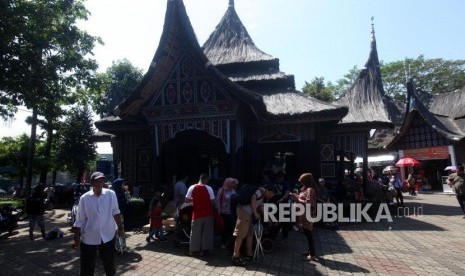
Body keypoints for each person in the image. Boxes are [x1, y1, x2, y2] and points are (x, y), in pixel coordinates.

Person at [72, 172, 124, 276]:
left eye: (101, 180)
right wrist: (76, 237)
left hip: (108, 235)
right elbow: (80, 219)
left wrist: (120, 228)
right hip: (89, 237)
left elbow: (115, 212)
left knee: (109, 263)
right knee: (87, 266)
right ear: (91, 183)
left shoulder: (111, 194)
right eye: (96, 181)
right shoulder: (84, 198)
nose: (99, 183)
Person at [231, 184, 265, 266]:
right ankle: (235, 257)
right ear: (270, 192)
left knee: (249, 233)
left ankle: (249, 254)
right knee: (240, 234)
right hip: (244, 212)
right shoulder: (261, 191)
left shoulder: (262, 194)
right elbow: (253, 198)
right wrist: (255, 213)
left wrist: (268, 218)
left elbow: (261, 205)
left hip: (248, 213)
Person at [185, 173, 215, 256]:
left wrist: (194, 200)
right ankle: (204, 250)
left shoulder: (192, 187)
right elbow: (212, 202)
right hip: (208, 213)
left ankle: (193, 250)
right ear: (206, 179)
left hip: (197, 213)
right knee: (207, 232)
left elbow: (186, 200)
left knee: (195, 233)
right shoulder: (209, 188)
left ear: (199, 179)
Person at [291, 173, 317, 262]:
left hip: (307, 215)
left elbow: (309, 203)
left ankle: (312, 254)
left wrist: (297, 199)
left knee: (308, 234)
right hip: (303, 215)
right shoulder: (306, 189)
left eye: (302, 181)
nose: (301, 183)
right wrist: (297, 196)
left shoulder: (310, 190)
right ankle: (310, 251)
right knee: (306, 234)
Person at [216, 177, 238, 249]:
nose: (233, 185)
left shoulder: (233, 190)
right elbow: (218, 200)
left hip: (232, 212)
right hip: (224, 212)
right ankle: (223, 242)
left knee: (231, 227)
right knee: (224, 228)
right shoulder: (221, 190)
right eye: (232, 183)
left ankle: (230, 242)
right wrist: (219, 209)